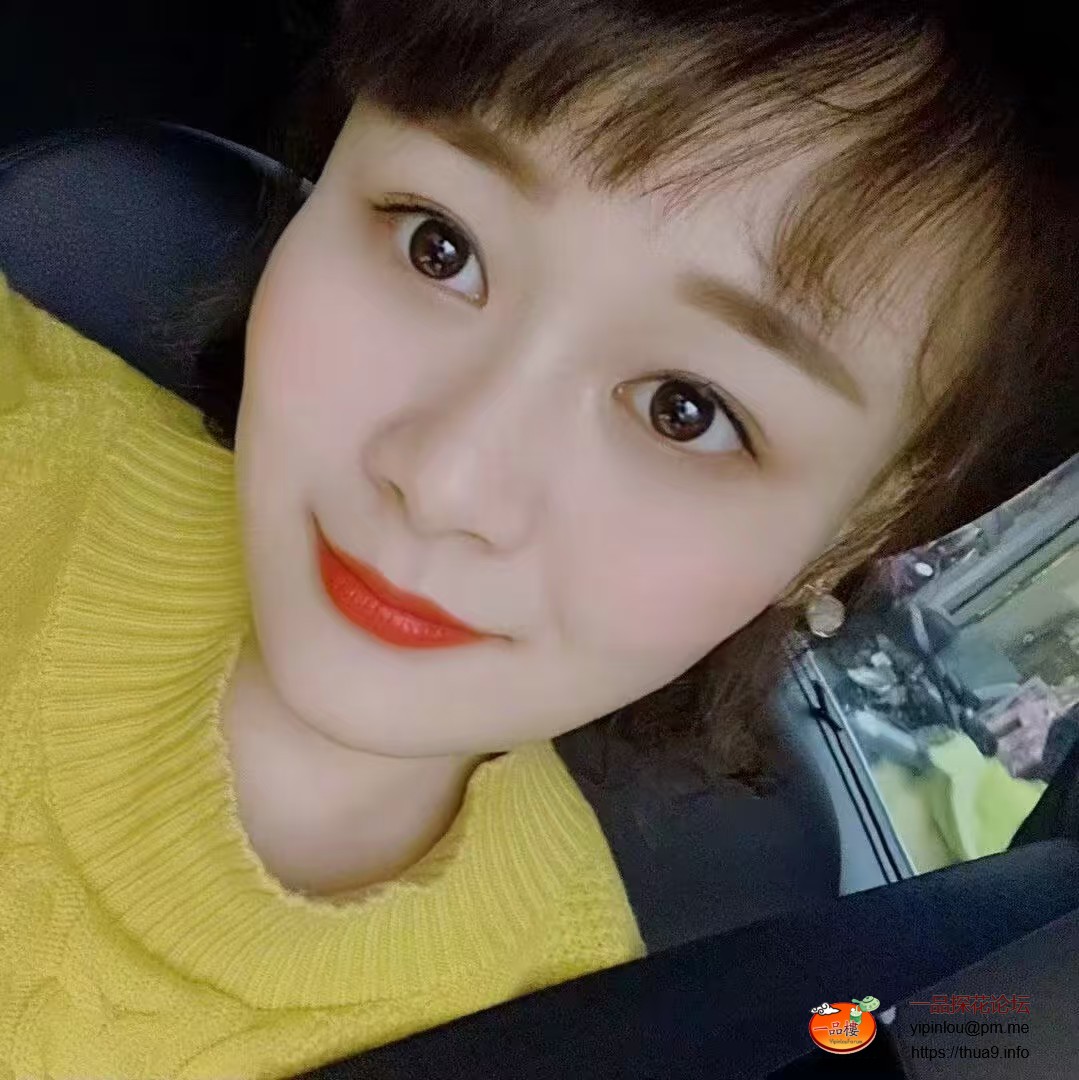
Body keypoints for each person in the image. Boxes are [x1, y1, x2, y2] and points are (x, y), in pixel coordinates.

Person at [1, 1, 1076, 1076]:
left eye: (685, 411)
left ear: (855, 530)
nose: (444, 484)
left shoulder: (583, 1029)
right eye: (439, 246)